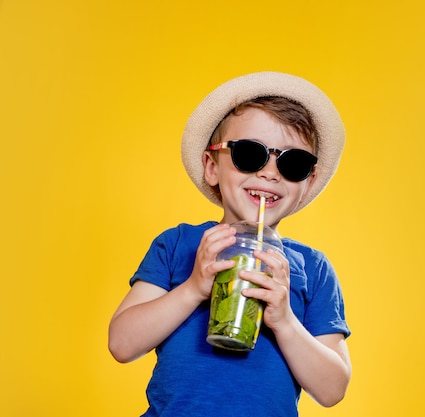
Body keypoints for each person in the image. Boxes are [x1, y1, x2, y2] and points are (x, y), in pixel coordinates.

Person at [108, 71, 352, 417]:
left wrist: (284, 321)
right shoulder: (179, 245)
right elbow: (121, 343)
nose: (270, 173)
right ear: (211, 166)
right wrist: (193, 288)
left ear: (308, 182)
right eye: (250, 155)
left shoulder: (310, 269)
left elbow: (332, 390)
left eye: (292, 163)